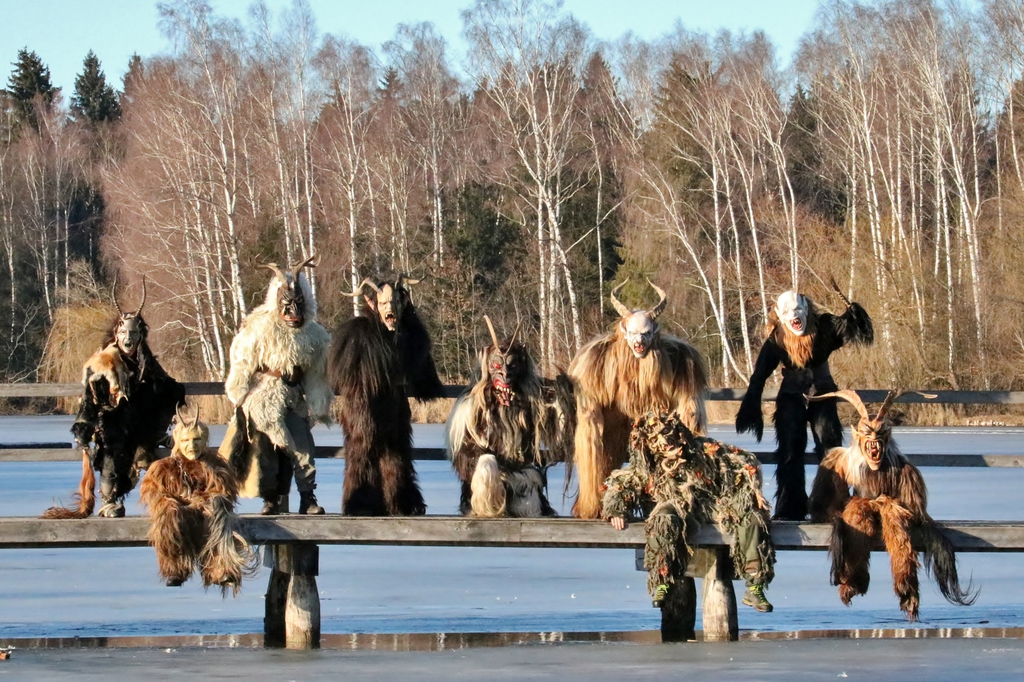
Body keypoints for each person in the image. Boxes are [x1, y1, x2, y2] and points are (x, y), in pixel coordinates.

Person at [604, 411, 776, 612]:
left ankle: (755, 586)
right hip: (678, 505)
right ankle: (663, 579)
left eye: (668, 434)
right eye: (657, 439)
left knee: (752, 519)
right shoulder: (648, 465)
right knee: (663, 519)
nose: (666, 442)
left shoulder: (701, 450)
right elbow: (620, 484)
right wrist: (616, 509)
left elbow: (742, 460)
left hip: (713, 504)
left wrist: (747, 485)